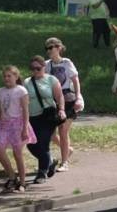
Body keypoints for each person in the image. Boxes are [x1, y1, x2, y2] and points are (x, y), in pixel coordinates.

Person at [44, 37, 83, 172]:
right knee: (50, 133)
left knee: (63, 130)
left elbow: (75, 80)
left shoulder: (67, 63)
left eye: (51, 47)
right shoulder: (47, 65)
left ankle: (64, 162)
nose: (49, 50)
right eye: (47, 48)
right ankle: (68, 150)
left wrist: (78, 97)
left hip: (68, 99)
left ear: (59, 48)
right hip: (53, 100)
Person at [0, 66, 36, 193]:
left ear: (16, 77)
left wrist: (24, 128)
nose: (7, 78)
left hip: (17, 124)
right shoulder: (0, 91)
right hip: (4, 124)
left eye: (9, 76)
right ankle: (12, 177)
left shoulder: (21, 90)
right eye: (5, 76)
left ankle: (22, 183)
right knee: (0, 151)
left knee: (17, 153)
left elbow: (25, 111)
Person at [25, 55, 65, 184]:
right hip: (32, 117)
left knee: (43, 142)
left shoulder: (51, 80)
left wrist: (61, 110)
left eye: (38, 68)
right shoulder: (26, 82)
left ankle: (42, 173)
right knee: (31, 144)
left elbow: (59, 97)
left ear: (44, 67)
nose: (35, 71)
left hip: (48, 115)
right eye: (32, 68)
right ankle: (50, 161)